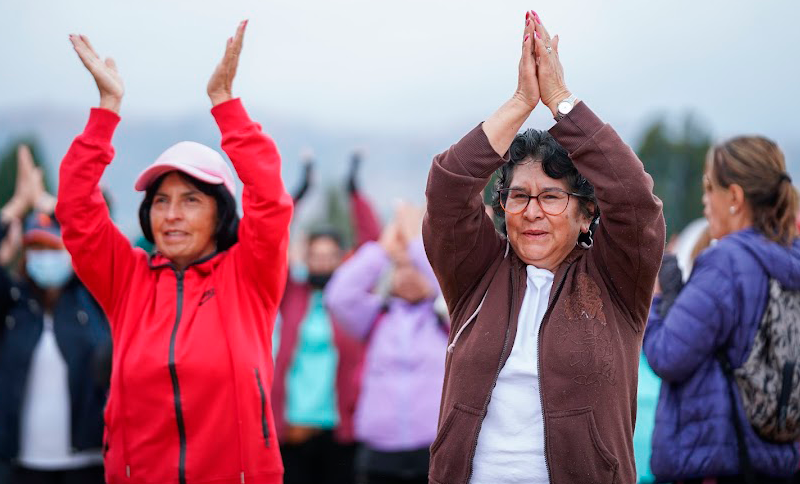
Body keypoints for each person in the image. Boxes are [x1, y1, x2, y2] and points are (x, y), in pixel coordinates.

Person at [422, 11, 665, 484]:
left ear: (586, 213)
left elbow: (635, 200)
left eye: (552, 197)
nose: (532, 212)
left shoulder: (615, 279)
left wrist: (559, 101)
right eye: (518, 196)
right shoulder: (477, 272)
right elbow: (448, 188)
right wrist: (520, 102)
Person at [56, 21, 293, 484]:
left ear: (220, 211)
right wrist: (106, 110)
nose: (171, 215)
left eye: (190, 200)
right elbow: (75, 209)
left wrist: (224, 103)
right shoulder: (126, 280)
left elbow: (269, 197)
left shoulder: (249, 274)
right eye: (161, 201)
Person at [643, 136, 800, 482]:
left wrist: (659, 298)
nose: (704, 200)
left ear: (735, 198)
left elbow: (667, 354)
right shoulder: (791, 256)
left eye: (709, 188)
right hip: (780, 459)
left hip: (719, 461)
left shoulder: (726, 262)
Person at [0, 146, 110, 484]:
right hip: (24, 465)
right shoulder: (13, 304)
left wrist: (45, 201)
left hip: (87, 462)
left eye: (53, 247)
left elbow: (100, 235)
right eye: (36, 248)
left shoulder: (93, 298)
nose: (45, 256)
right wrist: (17, 206)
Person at [272, 150, 379, 484]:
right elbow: (271, 241)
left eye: (329, 256)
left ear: (343, 258)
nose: (321, 262)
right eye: (315, 256)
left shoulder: (350, 301)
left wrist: (354, 193)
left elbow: (372, 245)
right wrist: (298, 194)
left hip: (340, 430)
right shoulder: (290, 293)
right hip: (294, 427)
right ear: (306, 257)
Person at [324, 203, 448, 484]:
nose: (407, 274)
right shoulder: (376, 316)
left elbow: (454, 286)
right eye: (400, 266)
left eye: (416, 266)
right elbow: (337, 296)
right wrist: (382, 249)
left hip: (434, 449)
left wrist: (416, 242)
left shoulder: (447, 315)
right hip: (379, 453)